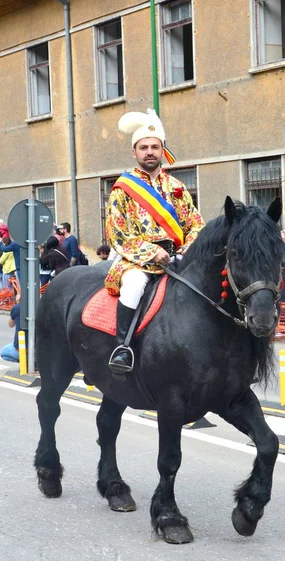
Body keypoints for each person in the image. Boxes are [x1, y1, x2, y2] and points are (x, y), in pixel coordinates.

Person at [105, 108, 204, 373]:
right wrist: (151, 252)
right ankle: (122, 348)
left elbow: (195, 224)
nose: (150, 151)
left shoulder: (177, 187)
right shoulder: (122, 189)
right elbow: (118, 233)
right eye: (144, 147)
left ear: (162, 151)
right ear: (134, 153)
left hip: (178, 259)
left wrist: (185, 251)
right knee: (135, 286)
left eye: (155, 147)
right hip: (137, 262)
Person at [0, 296, 22, 363]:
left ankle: (24, 361)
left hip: (21, 348)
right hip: (40, 348)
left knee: (4, 352)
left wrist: (17, 303)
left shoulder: (17, 308)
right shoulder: (40, 308)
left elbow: (10, 325)